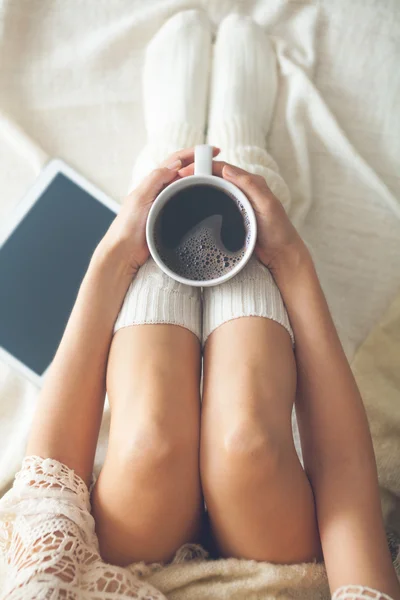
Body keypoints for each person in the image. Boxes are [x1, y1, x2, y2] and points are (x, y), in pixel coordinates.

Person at [0, 10, 399, 600]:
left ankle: (171, 156)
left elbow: (49, 487)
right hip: (278, 575)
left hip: (129, 564)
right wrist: (290, 262)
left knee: (149, 442)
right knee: (246, 443)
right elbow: (352, 508)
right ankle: (240, 155)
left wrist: (114, 255)